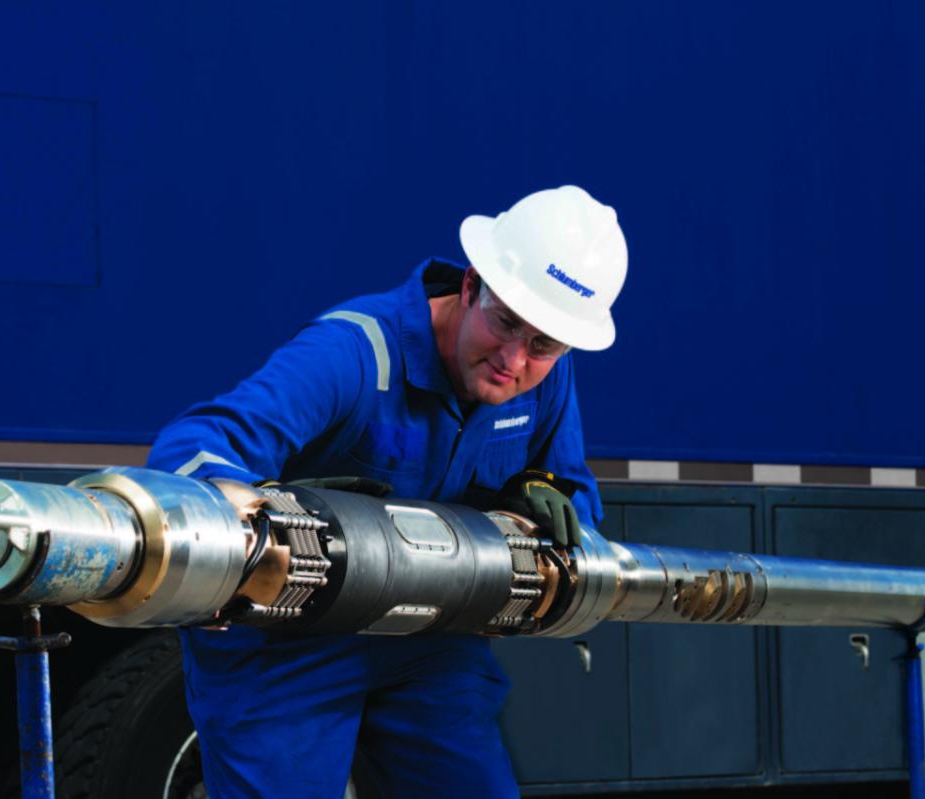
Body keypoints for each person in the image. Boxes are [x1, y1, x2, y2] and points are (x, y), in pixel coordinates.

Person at [145, 185, 629, 798]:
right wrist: (271, 510)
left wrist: (543, 501)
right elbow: (192, 448)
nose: (514, 358)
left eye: (543, 345)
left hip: (429, 641)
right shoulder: (355, 353)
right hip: (288, 642)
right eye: (505, 322)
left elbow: (576, 501)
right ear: (473, 285)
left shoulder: (544, 380)